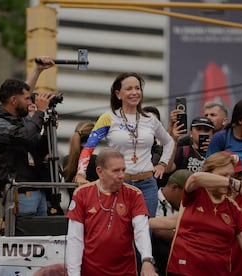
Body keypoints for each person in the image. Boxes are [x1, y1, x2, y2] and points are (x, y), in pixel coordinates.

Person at [75, 72, 174, 218]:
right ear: (118, 94)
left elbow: (169, 141)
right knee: (118, 231)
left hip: (146, 185)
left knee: (145, 232)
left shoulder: (150, 120)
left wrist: (163, 164)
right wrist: (80, 173)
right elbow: (89, 147)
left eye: (138, 88)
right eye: (129, 89)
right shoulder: (108, 118)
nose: (134, 92)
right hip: (118, 183)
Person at [166, 152, 242, 276]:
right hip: (184, 270)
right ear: (209, 173)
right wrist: (233, 183)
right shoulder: (196, 192)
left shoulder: (233, 207)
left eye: (231, 176)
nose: (228, 180)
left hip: (217, 271)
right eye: (223, 175)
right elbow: (195, 178)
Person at [66, 148, 158, 276]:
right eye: (116, 171)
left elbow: (141, 229)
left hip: (125, 271)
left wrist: (147, 259)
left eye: (123, 170)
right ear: (100, 171)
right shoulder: (82, 194)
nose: (121, 175)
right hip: (91, 272)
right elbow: (75, 239)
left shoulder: (134, 194)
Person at [0, 56, 55, 216]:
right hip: (20, 191)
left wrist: (47, 129)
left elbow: (38, 148)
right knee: (23, 235)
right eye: (26, 100)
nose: (29, 102)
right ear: (13, 100)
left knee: (41, 238)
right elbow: (22, 136)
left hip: (38, 188)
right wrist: (39, 112)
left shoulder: (22, 118)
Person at [153, 169, 191, 276]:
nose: (190, 198)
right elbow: (156, 231)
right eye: (187, 194)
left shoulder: (187, 205)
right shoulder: (152, 200)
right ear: (174, 187)